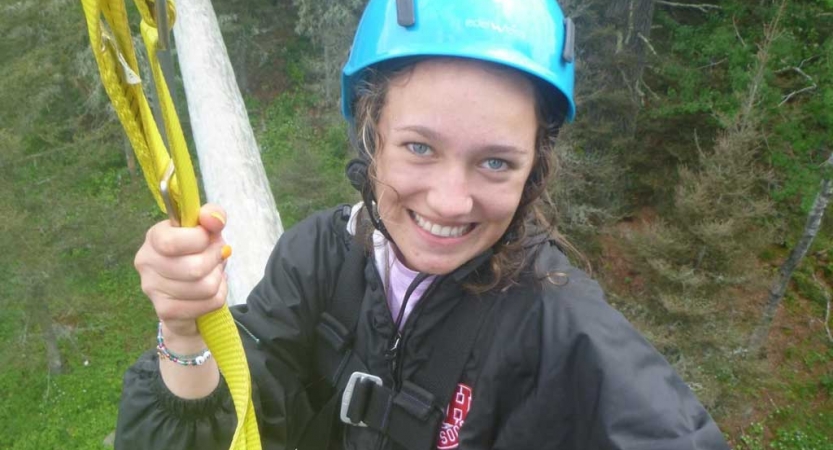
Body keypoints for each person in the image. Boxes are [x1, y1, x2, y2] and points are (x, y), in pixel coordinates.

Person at [116, 0, 730, 449]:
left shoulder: (559, 329)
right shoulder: (321, 259)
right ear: (372, 135)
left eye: (495, 162)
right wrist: (186, 334)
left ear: (532, 171)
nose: (450, 201)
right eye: (419, 148)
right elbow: (222, 424)